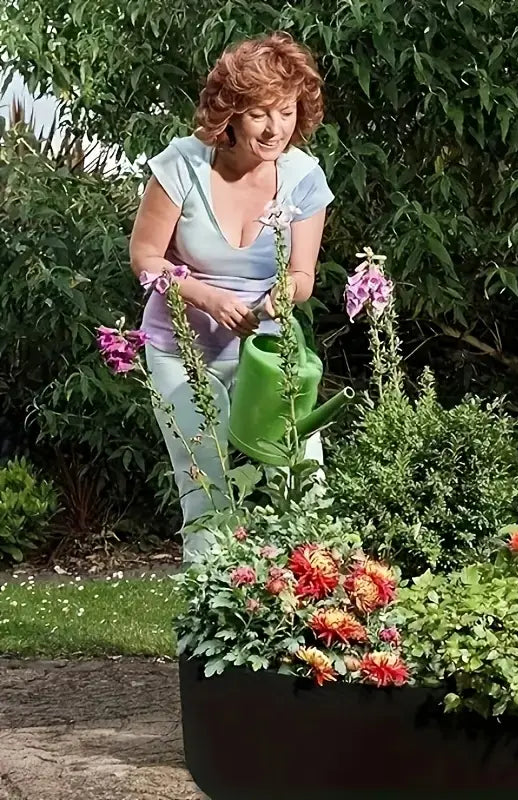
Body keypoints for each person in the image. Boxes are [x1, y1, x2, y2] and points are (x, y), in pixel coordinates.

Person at [129, 33, 334, 564]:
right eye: (260, 113)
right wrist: (207, 297)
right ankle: (208, 627)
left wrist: (275, 301)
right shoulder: (181, 166)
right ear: (232, 115)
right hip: (182, 351)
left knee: (302, 484)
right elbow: (146, 258)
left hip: (268, 356)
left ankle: (305, 622)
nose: (275, 129)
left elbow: (302, 275)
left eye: (286, 112)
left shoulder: (304, 179)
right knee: (207, 490)